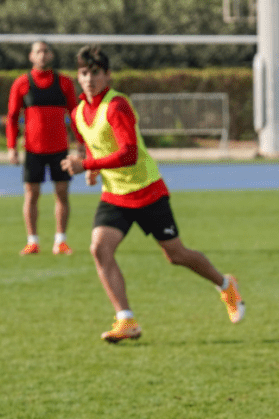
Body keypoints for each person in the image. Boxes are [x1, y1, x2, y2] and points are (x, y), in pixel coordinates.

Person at [58, 45, 244, 343]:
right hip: (115, 195)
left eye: (95, 73)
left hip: (147, 191)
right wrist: (93, 169)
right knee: (99, 249)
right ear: (77, 77)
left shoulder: (117, 105)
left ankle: (225, 284)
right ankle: (126, 319)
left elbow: (129, 153)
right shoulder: (79, 112)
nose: (89, 79)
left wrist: (87, 165)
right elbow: (93, 145)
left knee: (177, 255)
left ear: (107, 75)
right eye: (83, 73)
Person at [6, 40, 81, 255]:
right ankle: (32, 241)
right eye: (38, 51)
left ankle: (60, 241)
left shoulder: (65, 83)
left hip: (59, 149)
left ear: (51, 55)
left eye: (46, 51)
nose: (42, 55)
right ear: (31, 56)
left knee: (62, 193)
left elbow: (75, 116)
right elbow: (12, 118)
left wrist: (81, 144)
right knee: (31, 194)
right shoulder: (21, 83)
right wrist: (11, 147)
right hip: (33, 150)